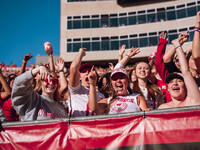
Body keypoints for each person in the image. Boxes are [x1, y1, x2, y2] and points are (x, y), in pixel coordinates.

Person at [88, 47, 149, 115]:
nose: (118, 81)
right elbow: (93, 109)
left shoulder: (137, 98)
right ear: (112, 83)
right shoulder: (107, 101)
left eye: (121, 77)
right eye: (115, 79)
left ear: (128, 81)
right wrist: (92, 84)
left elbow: (146, 117)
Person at [158, 36, 200, 109]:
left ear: (186, 86)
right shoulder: (162, 108)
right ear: (167, 89)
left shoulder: (192, 102)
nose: (175, 83)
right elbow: (164, 60)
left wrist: (178, 46)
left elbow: (185, 71)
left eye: (179, 81)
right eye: (171, 82)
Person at [68, 48, 105, 117]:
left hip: (95, 126)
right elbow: (73, 69)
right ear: (79, 77)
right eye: (84, 71)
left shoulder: (101, 96)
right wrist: (80, 53)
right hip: (77, 126)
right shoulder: (76, 90)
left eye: (90, 71)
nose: (88, 73)